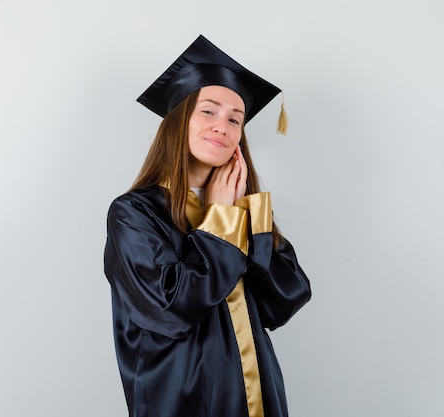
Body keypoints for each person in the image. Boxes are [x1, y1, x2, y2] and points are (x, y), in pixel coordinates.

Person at [103, 35, 311, 417]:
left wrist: (245, 214)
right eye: (208, 112)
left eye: (235, 118)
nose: (223, 126)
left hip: (258, 396)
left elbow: (284, 301)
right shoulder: (134, 214)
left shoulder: (243, 211)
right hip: (182, 401)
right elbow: (168, 310)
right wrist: (219, 222)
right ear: (179, 119)